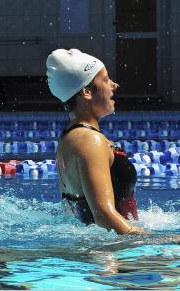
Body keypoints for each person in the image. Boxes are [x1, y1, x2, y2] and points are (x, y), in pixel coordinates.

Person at [45, 48, 143, 235]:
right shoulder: (90, 141)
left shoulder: (70, 138)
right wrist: (157, 240)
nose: (114, 85)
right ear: (87, 92)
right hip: (113, 254)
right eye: (106, 79)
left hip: (102, 249)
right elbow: (104, 215)